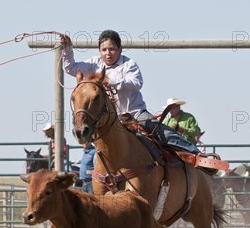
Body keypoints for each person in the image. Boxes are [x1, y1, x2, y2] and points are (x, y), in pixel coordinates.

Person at [60, 30, 200, 154]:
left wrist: (112, 81)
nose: (108, 53)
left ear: (120, 49)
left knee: (161, 132)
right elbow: (70, 68)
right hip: (109, 119)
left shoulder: (129, 64)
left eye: (112, 49)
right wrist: (67, 50)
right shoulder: (93, 63)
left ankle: (196, 154)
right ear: (99, 51)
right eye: (104, 50)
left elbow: (136, 84)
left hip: (135, 114)